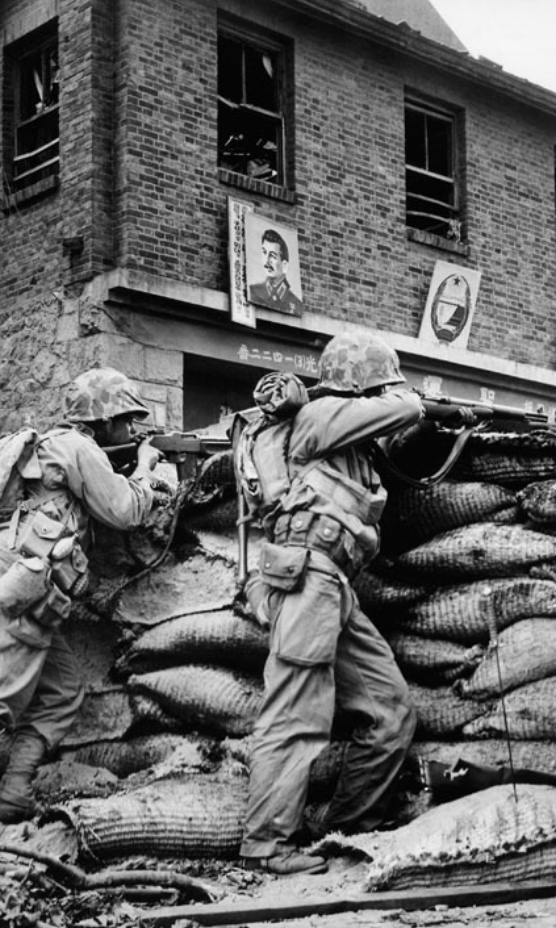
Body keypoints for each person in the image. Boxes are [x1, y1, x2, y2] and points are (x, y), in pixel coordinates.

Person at [0, 368, 162, 835]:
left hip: (13, 579)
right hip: (20, 589)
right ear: (101, 421)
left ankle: (14, 794)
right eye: (125, 420)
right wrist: (146, 469)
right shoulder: (79, 447)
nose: (131, 430)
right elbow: (125, 511)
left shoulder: (53, 445)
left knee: (63, 690)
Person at [238, 330, 424, 876]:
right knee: (296, 713)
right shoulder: (321, 415)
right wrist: (401, 398)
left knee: (390, 710)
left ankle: (351, 827)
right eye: (379, 387)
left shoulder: (348, 444)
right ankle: (267, 845)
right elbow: (407, 406)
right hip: (307, 582)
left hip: (333, 585)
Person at [249, 228, 301, 313]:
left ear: (284, 265)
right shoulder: (253, 291)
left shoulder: (295, 304)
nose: (267, 261)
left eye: (273, 256)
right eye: (264, 252)